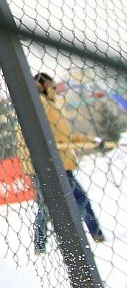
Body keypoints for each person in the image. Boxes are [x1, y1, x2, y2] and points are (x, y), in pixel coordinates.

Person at [30, 72, 105, 253]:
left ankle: (97, 234)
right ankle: (40, 244)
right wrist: (39, 90)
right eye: (51, 86)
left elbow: (66, 138)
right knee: (49, 206)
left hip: (61, 163)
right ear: (42, 87)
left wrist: (91, 140)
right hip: (46, 166)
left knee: (76, 200)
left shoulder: (53, 106)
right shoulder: (37, 105)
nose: (54, 89)